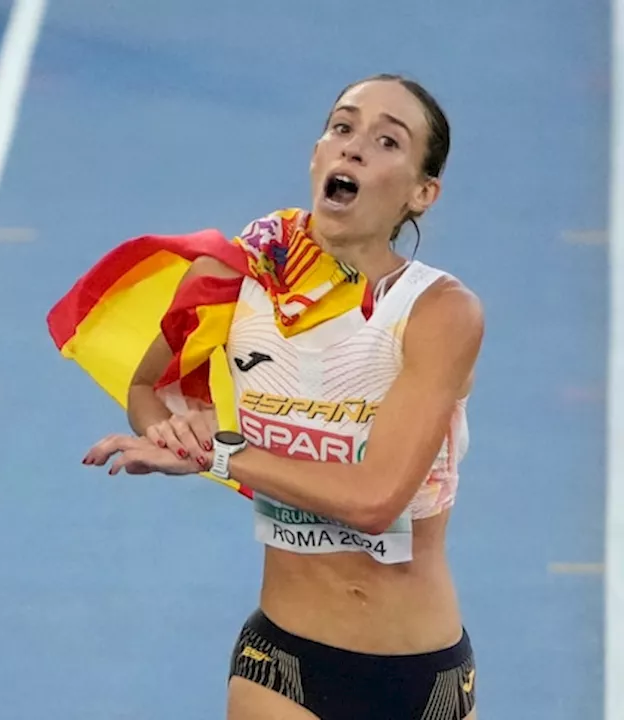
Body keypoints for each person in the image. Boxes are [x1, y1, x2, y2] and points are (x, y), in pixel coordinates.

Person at [67, 74, 481, 719]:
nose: (353, 148)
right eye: (342, 128)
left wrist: (221, 456)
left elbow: (375, 500)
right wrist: (175, 432)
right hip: (283, 664)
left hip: (421, 676)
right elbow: (149, 387)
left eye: (386, 141)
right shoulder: (237, 278)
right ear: (317, 155)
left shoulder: (438, 312)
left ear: (422, 194)